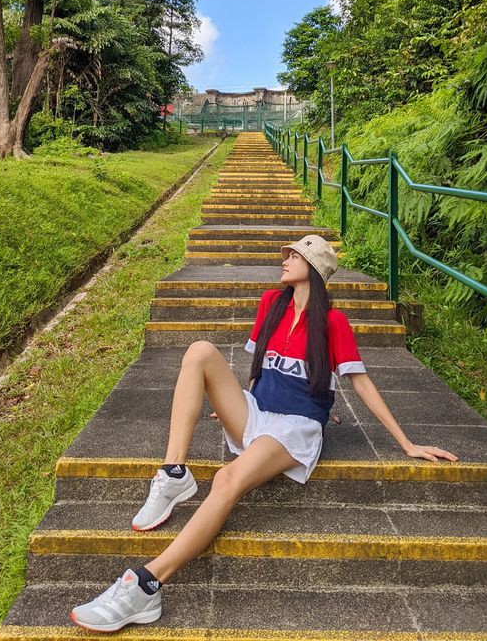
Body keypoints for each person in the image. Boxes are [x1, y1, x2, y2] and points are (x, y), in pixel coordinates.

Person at [70, 234, 458, 632]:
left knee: (227, 478)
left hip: (295, 428)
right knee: (200, 350)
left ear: (316, 270)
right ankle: (173, 473)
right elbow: (259, 371)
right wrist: (235, 407)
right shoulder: (272, 304)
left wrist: (406, 443)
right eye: (287, 252)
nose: (285, 258)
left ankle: (146, 585)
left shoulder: (332, 322)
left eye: (296, 254)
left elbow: (360, 383)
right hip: (258, 411)